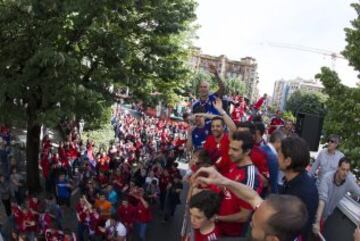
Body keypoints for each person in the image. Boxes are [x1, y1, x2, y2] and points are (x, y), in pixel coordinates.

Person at [194, 166, 308, 241]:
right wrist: (223, 180)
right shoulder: (269, 216)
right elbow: (252, 197)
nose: (250, 223)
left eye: (253, 225)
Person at [215, 131, 263, 237]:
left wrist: (217, 218)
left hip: (231, 234)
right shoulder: (235, 162)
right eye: (230, 147)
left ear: (247, 151)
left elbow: (244, 216)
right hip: (219, 227)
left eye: (235, 150)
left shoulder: (250, 177)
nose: (229, 152)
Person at [278, 136, 319, 241]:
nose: (276, 156)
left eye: (279, 153)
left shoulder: (304, 192)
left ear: (288, 161)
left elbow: (296, 233)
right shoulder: (292, 181)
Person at [312, 157, 360, 236]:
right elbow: (322, 201)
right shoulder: (327, 178)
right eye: (343, 169)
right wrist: (317, 222)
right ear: (338, 168)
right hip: (314, 210)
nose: (345, 173)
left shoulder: (349, 181)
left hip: (324, 217)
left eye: (347, 170)